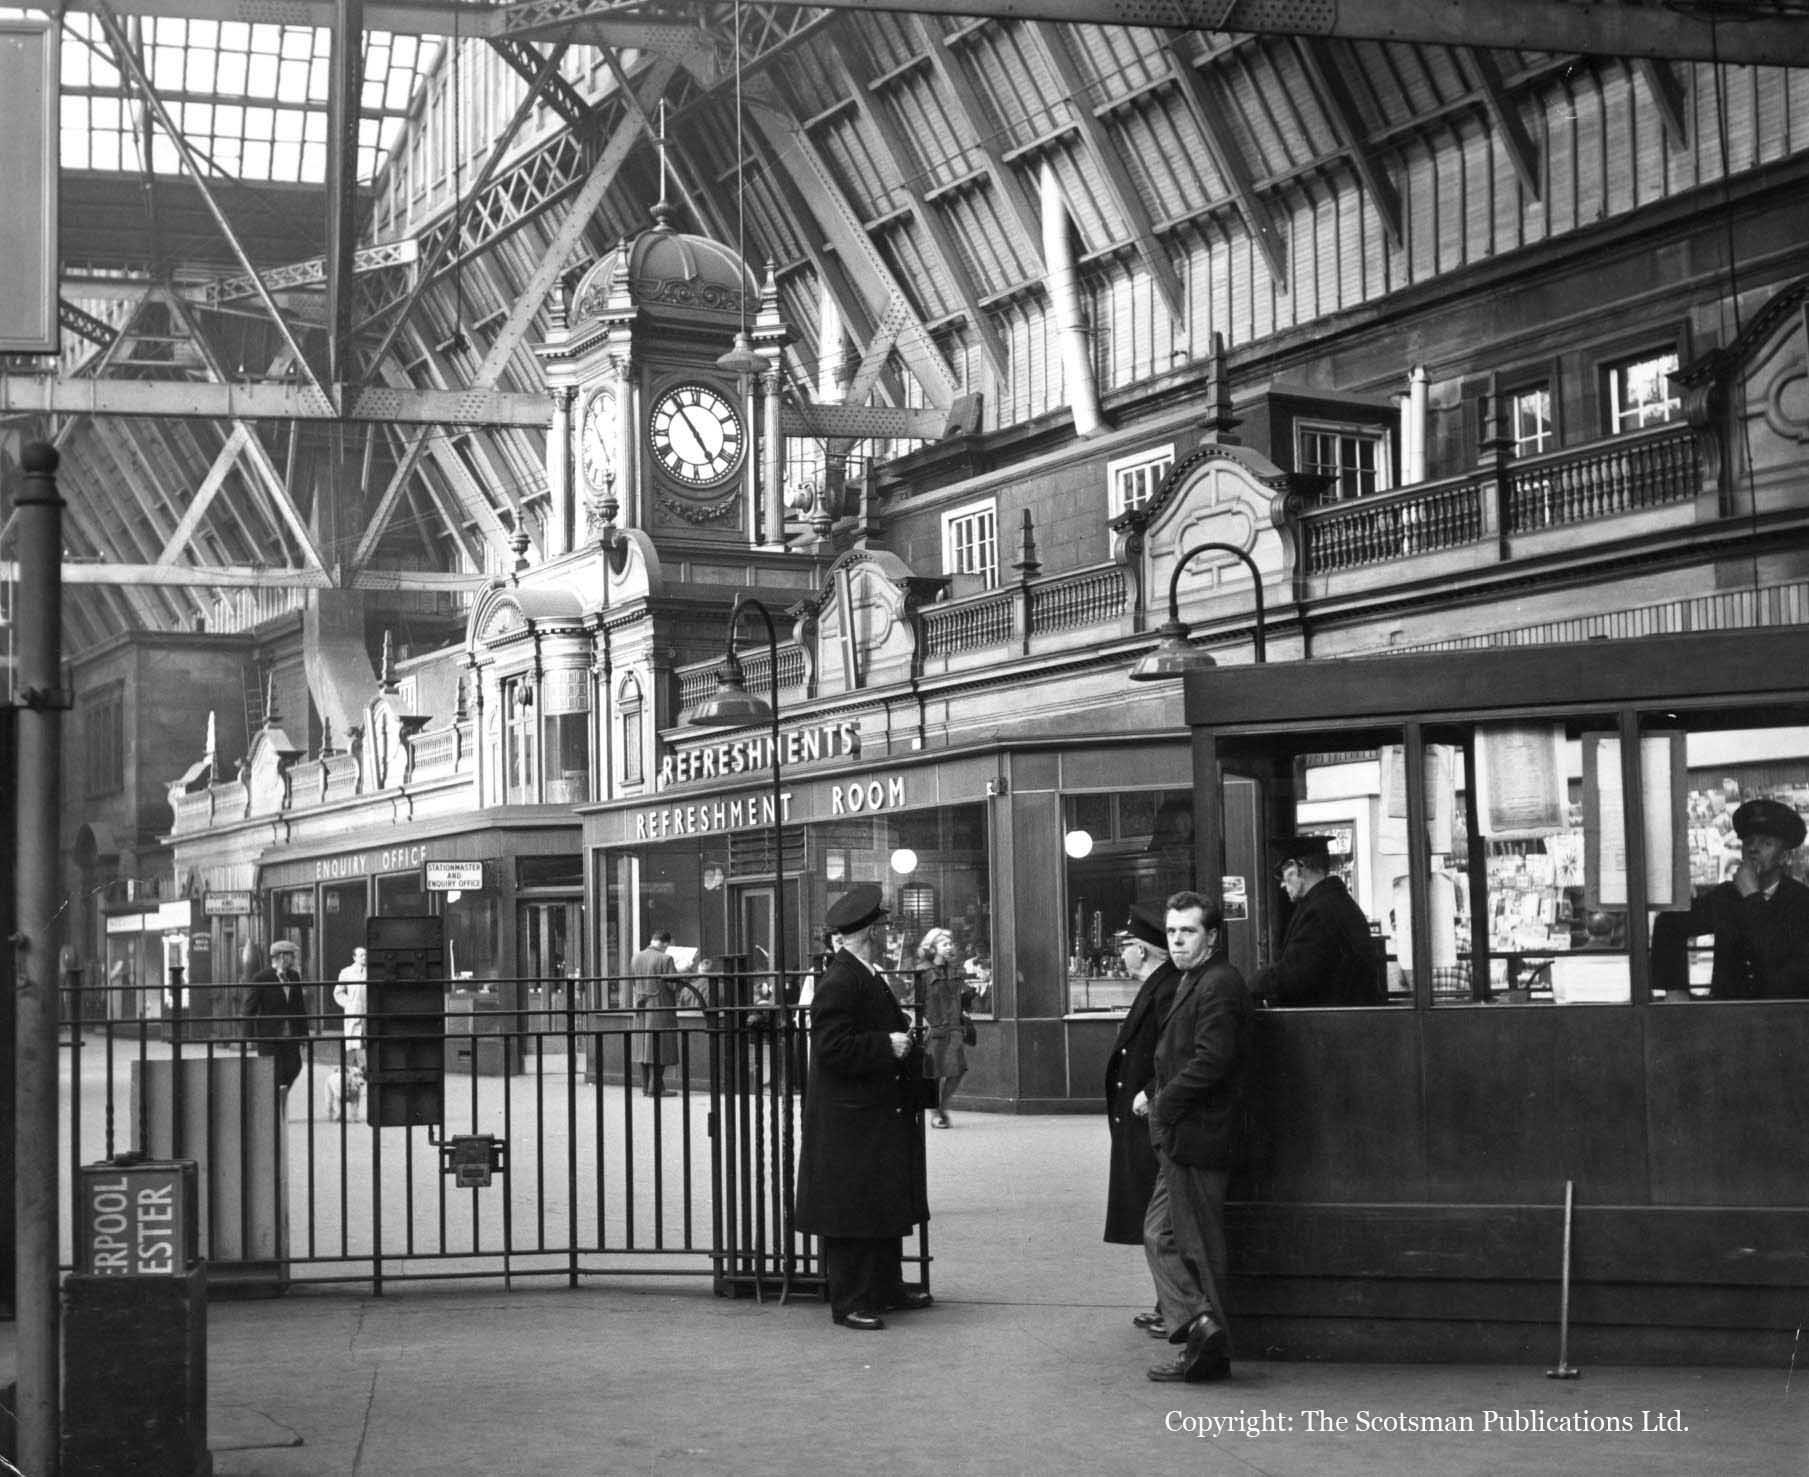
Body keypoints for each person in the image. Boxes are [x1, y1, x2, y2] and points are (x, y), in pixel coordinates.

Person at [794, 883, 932, 1331]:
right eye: (883, 928)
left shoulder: (861, 973)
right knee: (854, 1211)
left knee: (877, 1204)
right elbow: (831, 1046)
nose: (889, 936)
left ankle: (885, 1288)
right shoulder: (842, 979)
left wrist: (904, 1034)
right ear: (868, 932)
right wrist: (885, 1044)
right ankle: (850, 1299)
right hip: (850, 1119)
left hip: (867, 1114)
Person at [1139, 891, 1253, 1383]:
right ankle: (1200, 1326)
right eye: (1172, 932)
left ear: (1212, 937)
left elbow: (1212, 1059)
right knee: (1161, 1233)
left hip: (1200, 1133)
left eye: (1188, 931)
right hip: (1183, 1133)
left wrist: (1163, 1103)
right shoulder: (1196, 979)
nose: (1178, 940)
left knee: (1197, 1245)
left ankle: (1210, 1348)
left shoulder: (1218, 984)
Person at [1102, 901, 1182, 1339]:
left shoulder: (1164, 988)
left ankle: (1171, 1304)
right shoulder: (1159, 984)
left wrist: (1149, 1094)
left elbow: (1167, 1050)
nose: (1123, 953)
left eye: (1129, 945)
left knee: (1159, 1219)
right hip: (1139, 1118)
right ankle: (1166, 1301)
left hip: (1149, 1118)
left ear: (1146, 950)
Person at [1652, 797, 1809, 999]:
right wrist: (1675, 989)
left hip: (1778, 1021)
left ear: (1784, 857)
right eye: (1748, 842)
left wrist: (1752, 896)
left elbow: (1784, 966)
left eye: (1766, 843)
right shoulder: (1725, 896)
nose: (1753, 848)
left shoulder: (1801, 901)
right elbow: (1669, 923)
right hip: (1726, 1020)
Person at [1252, 834, 1384, 1006]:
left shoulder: (1321, 911)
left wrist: (1250, 986)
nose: (1282, 884)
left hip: (1333, 1026)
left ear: (1297, 866)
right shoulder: (1334, 903)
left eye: (1282, 874)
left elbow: (1294, 976)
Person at [915, 927, 973, 1129]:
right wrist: (922, 1023)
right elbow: (915, 1000)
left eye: (950, 943)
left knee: (957, 1071)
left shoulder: (955, 970)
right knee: (934, 1073)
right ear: (932, 948)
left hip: (954, 1028)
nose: (949, 947)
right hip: (933, 1028)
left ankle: (942, 1107)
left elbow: (962, 998)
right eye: (944, 944)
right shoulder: (922, 971)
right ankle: (935, 1112)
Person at [245, 939, 310, 1100]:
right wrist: (248, 1037)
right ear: (281, 957)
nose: (294, 960)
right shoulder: (261, 977)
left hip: (291, 1034)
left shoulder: (294, 976)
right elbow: (249, 1008)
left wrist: (304, 1035)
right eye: (291, 956)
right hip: (270, 1034)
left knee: (295, 1066)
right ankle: (273, 1105)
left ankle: (280, 1096)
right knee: (273, 1071)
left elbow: (299, 1006)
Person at [629, 930, 679, 1097]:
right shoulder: (666, 959)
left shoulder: (636, 957)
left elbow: (634, 982)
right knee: (660, 1048)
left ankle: (646, 1086)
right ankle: (655, 1088)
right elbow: (673, 985)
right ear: (665, 943)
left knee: (644, 1049)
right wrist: (683, 970)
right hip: (659, 1006)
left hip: (641, 1008)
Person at [333, 945, 369, 1066]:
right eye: (361, 955)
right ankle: (359, 1073)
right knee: (356, 1044)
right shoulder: (346, 972)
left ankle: (362, 1072)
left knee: (368, 1043)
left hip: (369, 1012)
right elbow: (338, 992)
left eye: (365, 955)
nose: (364, 957)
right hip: (355, 1012)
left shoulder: (372, 971)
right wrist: (349, 1004)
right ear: (354, 958)